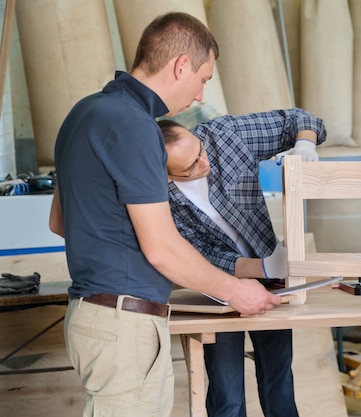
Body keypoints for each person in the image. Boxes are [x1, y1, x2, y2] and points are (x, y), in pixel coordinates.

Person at [48, 12, 281, 416]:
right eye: (204, 79)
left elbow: (60, 222)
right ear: (180, 66)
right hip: (124, 324)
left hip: (91, 316)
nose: (199, 96)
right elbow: (162, 250)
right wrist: (237, 291)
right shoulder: (136, 126)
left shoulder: (83, 113)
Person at [159, 109, 325, 417]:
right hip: (217, 289)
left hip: (271, 284)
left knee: (280, 387)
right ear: (167, 176)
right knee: (227, 396)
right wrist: (264, 266)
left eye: (200, 151)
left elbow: (301, 119)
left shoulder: (224, 137)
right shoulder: (159, 200)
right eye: (192, 167)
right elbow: (201, 258)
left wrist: (305, 144)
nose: (205, 163)